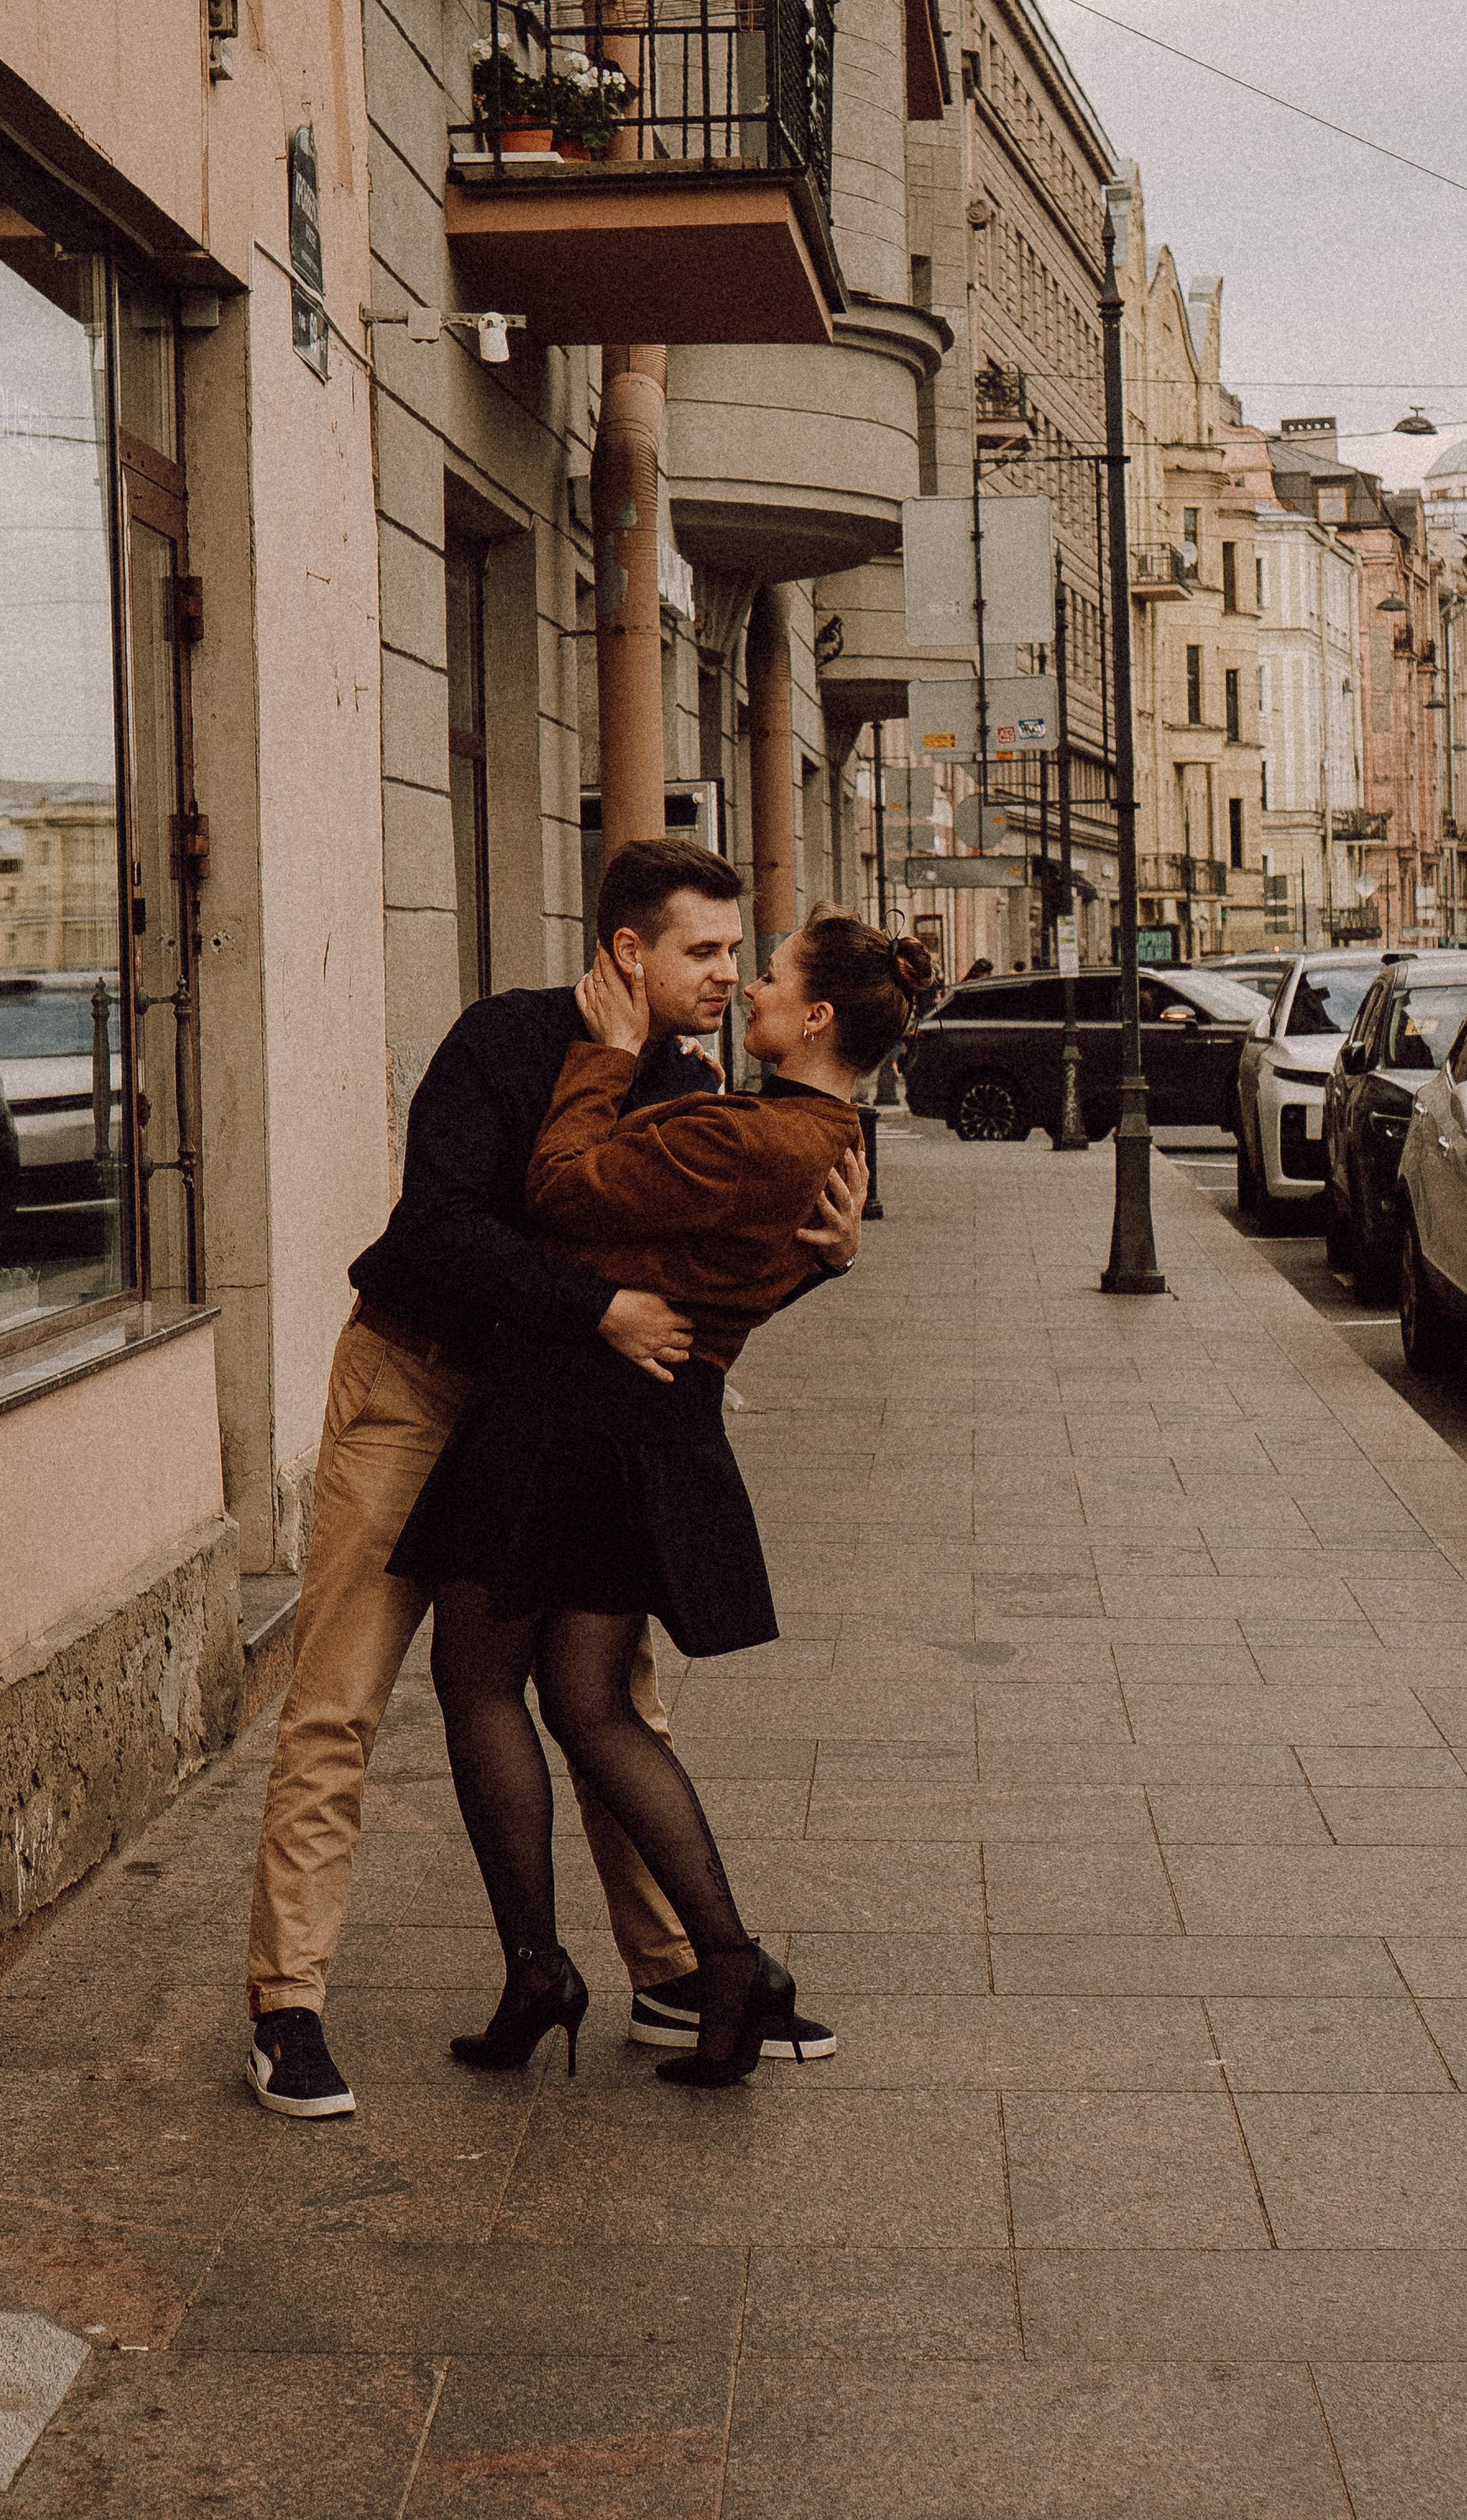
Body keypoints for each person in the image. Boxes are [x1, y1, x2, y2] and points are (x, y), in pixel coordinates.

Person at [243, 840, 864, 2120]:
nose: (726, 976)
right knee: (339, 1699)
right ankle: (286, 2003)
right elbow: (443, 1227)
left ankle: (674, 1975)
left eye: (740, 954)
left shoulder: (692, 1080)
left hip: (546, 1414)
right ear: (629, 951)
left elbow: (695, 1273)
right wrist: (594, 1310)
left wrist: (816, 1260)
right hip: (416, 1386)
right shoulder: (506, 1042)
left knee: (609, 1697)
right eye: (705, 951)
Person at [390, 910, 937, 2087]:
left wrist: (596, 1054)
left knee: (480, 1681)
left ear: (819, 1017)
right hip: (636, 1430)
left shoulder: (755, 1135)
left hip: (563, 1419)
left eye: (773, 976)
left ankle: (553, 1967)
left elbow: (561, 1188)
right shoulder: (830, 1141)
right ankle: (726, 1969)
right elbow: (731, 1284)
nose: (750, 990)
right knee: (590, 1704)